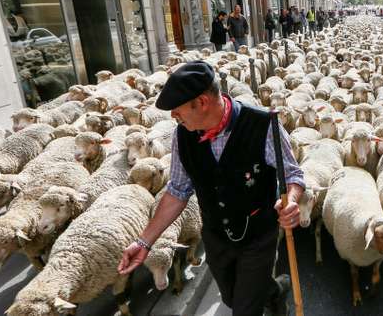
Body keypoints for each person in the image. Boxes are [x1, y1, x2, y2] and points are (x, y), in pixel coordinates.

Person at [117, 61, 305, 316]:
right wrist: (144, 242)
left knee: (244, 310)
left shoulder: (263, 125)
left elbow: (293, 174)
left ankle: (262, 295)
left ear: (202, 102)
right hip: (216, 238)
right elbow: (177, 191)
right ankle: (275, 291)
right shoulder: (182, 136)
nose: (173, 116)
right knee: (231, 297)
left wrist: (291, 199)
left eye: (177, 109)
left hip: (258, 237)